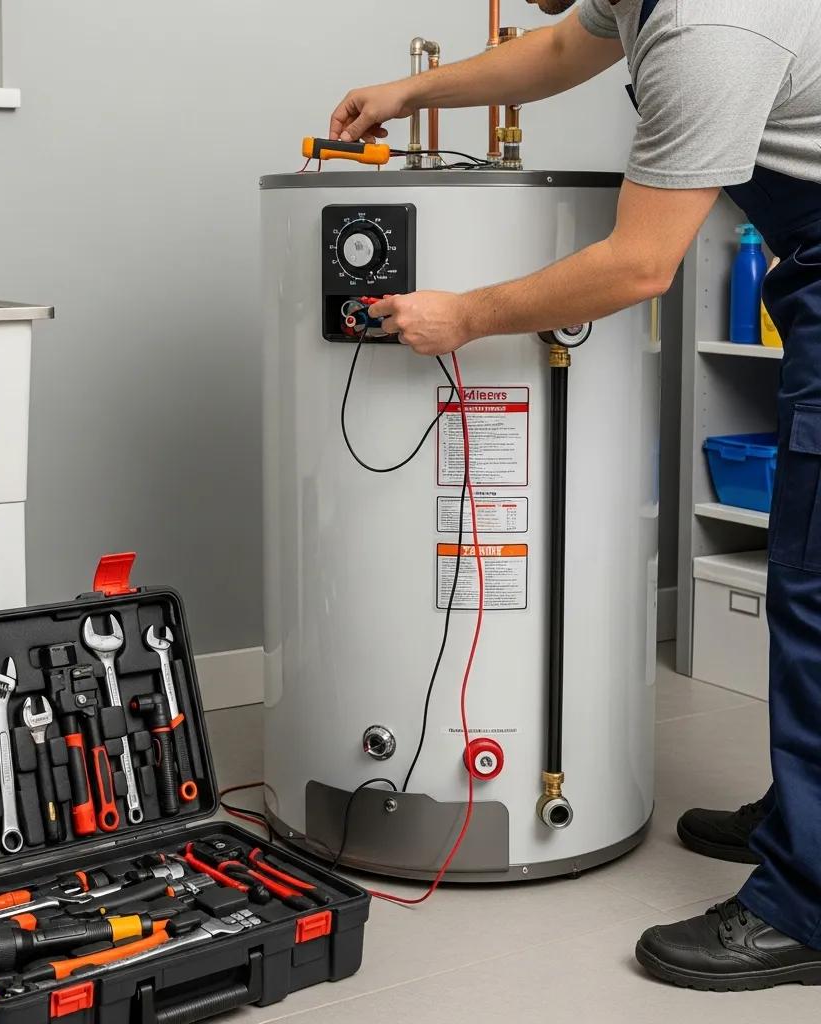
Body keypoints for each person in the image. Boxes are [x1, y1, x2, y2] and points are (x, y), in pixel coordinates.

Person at [329, 0, 821, 992]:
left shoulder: (711, 28)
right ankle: (801, 819)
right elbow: (559, 48)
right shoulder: (636, 0)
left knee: (815, 594)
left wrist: (466, 316)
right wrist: (411, 92)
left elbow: (639, 265)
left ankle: (805, 906)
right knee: (803, 579)